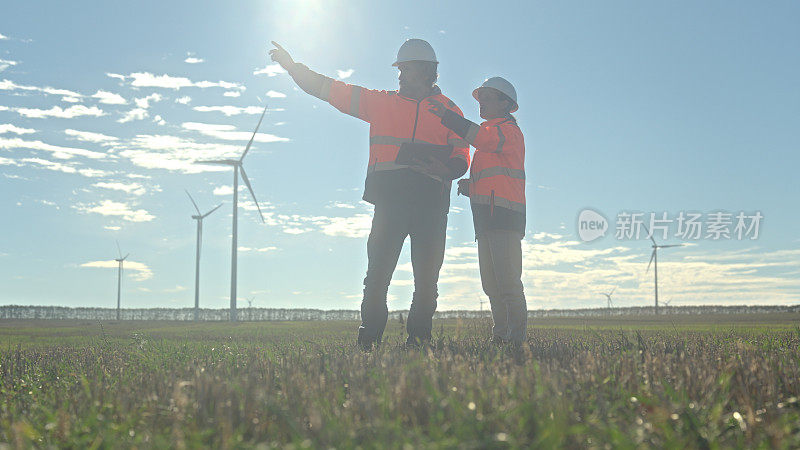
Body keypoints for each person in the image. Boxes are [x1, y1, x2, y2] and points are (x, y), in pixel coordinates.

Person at [268, 39, 470, 349]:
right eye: (399, 69)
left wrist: (447, 169)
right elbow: (329, 89)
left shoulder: (449, 111)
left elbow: (461, 154)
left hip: (432, 201)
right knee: (377, 277)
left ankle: (419, 341)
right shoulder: (380, 101)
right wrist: (293, 68)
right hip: (390, 201)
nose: (400, 74)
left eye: (407, 69)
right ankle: (369, 340)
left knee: (427, 281)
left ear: (428, 72)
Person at [428, 77, 527, 345]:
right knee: (492, 285)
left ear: (505, 104)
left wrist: (449, 118)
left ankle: (516, 340)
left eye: (487, 98)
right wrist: (472, 186)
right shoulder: (493, 133)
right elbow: (498, 176)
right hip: (487, 217)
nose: (481, 103)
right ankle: (501, 337)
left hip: (504, 217)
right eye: (480, 98)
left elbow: (484, 141)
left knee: (507, 283)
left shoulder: (507, 131)